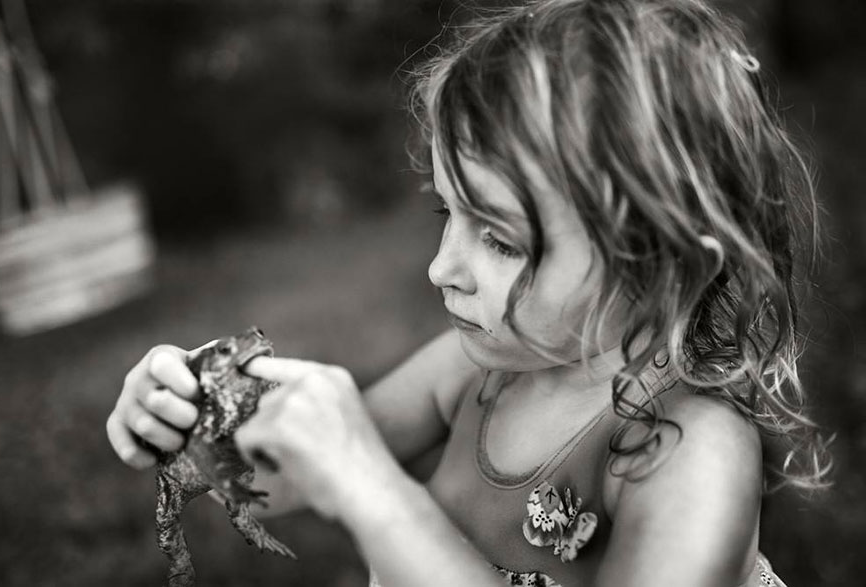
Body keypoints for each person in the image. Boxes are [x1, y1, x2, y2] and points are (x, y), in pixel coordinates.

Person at [106, 1, 833, 585]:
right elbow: (294, 470)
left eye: (501, 240)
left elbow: (359, 477)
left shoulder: (690, 449)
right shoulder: (475, 374)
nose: (440, 268)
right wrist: (196, 417)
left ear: (663, 263)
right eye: (445, 214)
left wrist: (376, 492)